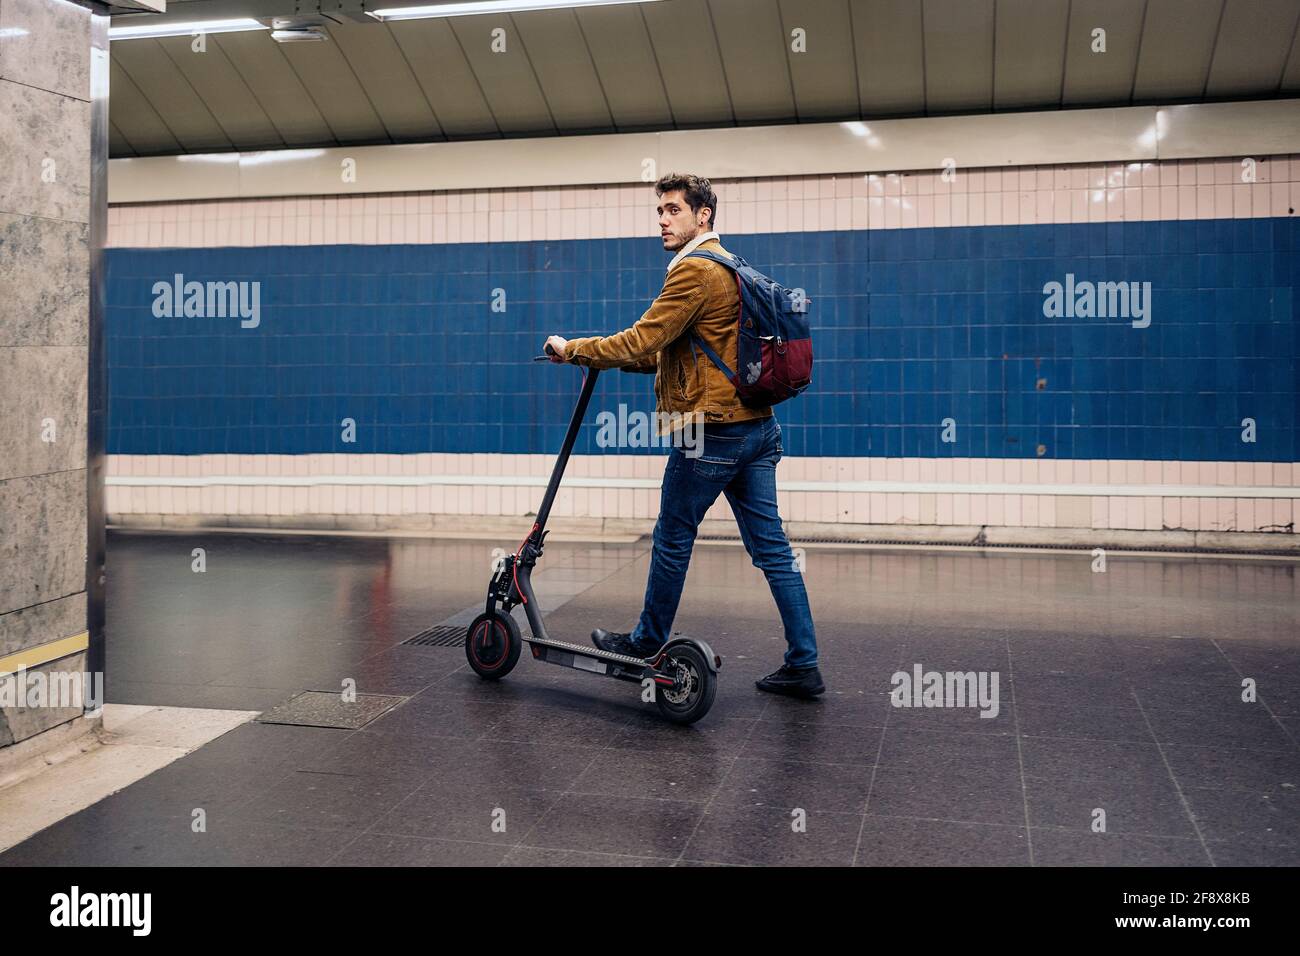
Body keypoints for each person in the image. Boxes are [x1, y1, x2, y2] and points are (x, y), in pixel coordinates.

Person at [543, 173, 823, 699]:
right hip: (756, 429)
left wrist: (574, 348)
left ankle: (647, 642)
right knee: (773, 551)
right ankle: (804, 662)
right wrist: (604, 359)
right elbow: (664, 353)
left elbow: (641, 337)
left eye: (673, 210)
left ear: (703, 216)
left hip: (710, 435)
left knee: (673, 537)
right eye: (660, 212)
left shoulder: (695, 272)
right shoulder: (729, 268)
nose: (663, 220)